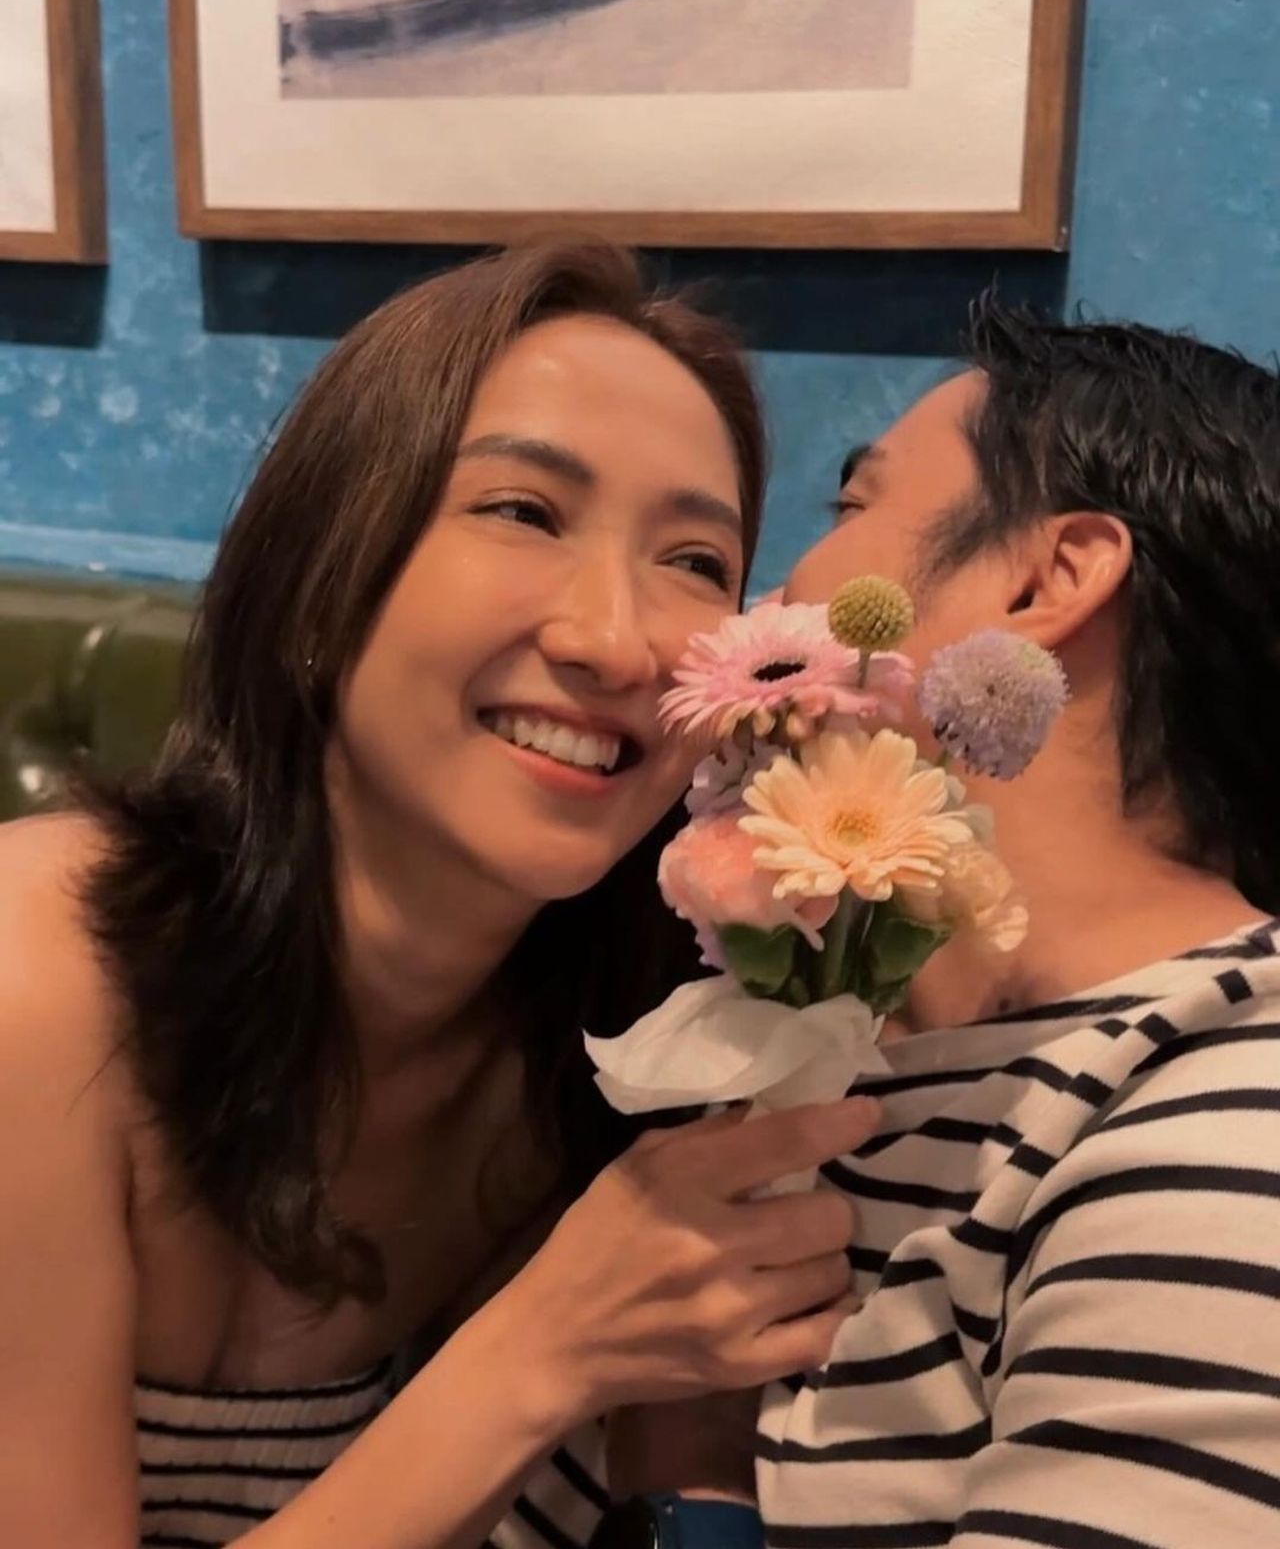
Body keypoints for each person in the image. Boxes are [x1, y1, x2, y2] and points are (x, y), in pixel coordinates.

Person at [0, 244, 883, 1549]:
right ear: (319, 582)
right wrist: (541, 1349)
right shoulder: (41, 980)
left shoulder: (625, 1046)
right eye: (523, 511)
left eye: (696, 561)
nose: (616, 640)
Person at [751, 300, 1280, 1546]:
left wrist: (684, 1481)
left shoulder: (1230, 1137)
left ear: (1047, 578)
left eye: (848, 507)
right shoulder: (820, 1057)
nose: (776, 591)